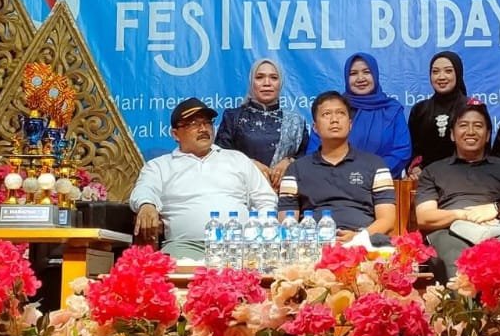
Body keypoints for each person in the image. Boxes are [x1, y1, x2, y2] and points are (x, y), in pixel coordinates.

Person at [130, 98, 277, 260]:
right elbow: (145, 189)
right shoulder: (160, 166)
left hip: (237, 245)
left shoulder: (237, 159)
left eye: (207, 123)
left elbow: (266, 200)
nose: (203, 129)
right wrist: (146, 205)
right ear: (175, 134)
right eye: (193, 124)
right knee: (173, 268)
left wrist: (259, 236)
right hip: (185, 246)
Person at [414, 100, 500, 281]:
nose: (470, 131)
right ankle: (460, 301)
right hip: (449, 231)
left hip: (497, 229)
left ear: (488, 134)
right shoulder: (433, 170)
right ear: (452, 134)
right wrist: (462, 215)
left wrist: (495, 209)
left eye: (478, 126)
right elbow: (425, 217)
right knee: (456, 260)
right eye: (463, 125)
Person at [280, 91, 397, 243]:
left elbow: (387, 220)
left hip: (363, 244)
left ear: (350, 124)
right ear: (315, 127)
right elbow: (287, 223)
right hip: (313, 245)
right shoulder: (295, 170)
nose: (334, 120)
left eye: (340, 113)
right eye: (326, 114)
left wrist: (358, 238)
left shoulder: (376, 165)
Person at [305, 52, 412, 178]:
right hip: (334, 182)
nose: (360, 78)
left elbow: (402, 151)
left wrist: (368, 174)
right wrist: (342, 176)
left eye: (366, 72)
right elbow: (314, 151)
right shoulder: (336, 109)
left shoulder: (392, 109)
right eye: (353, 73)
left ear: (375, 74)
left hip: (381, 181)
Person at [215, 58, 309, 187]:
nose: (267, 83)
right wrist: (249, 163)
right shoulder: (233, 117)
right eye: (259, 77)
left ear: (281, 83)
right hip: (242, 189)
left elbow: (308, 159)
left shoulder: (296, 121)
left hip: (285, 191)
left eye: (274, 78)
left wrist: (290, 161)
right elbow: (220, 156)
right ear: (251, 82)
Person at [407, 51, 469, 179]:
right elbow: (412, 149)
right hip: (427, 179)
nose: (441, 77)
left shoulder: (472, 108)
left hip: (465, 178)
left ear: (458, 73)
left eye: (448, 71)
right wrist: (416, 167)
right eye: (435, 72)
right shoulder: (419, 110)